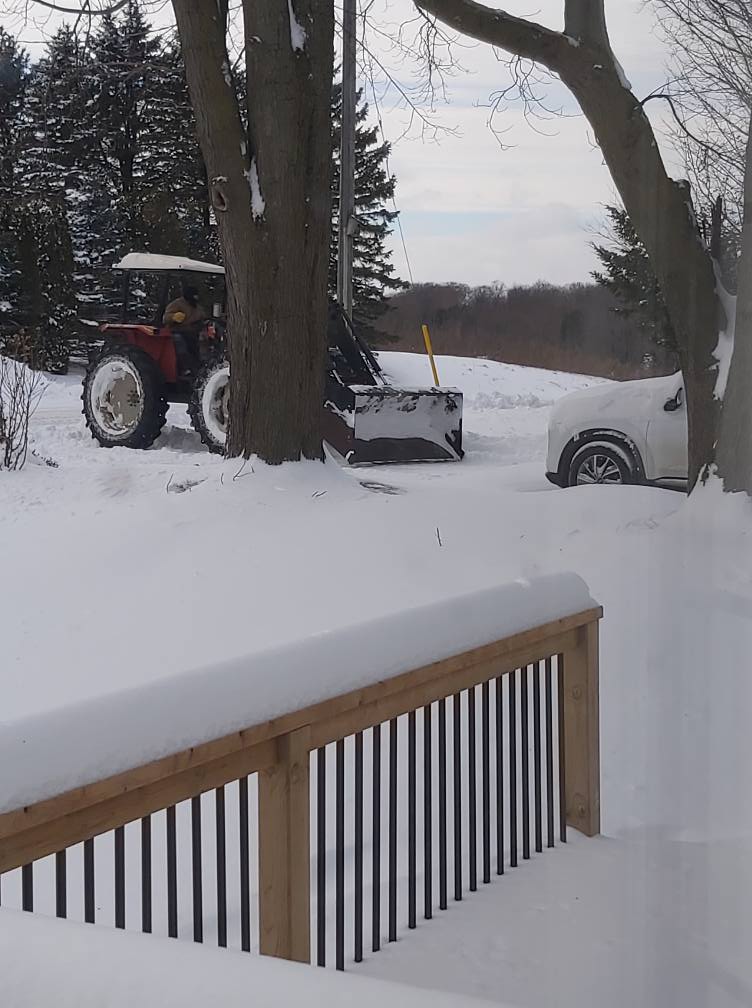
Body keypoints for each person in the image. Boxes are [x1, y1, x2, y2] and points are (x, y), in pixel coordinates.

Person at [162, 284, 206, 376]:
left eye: (196, 296)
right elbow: (165, 318)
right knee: (179, 342)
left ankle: (201, 366)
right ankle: (184, 368)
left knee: (201, 343)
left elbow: (203, 317)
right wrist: (173, 317)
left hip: (192, 333)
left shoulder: (197, 307)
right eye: (193, 295)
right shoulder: (177, 304)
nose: (195, 298)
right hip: (176, 331)